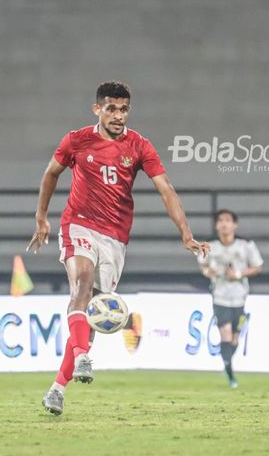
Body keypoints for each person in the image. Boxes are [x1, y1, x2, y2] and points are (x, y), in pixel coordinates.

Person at [27, 80, 210, 415]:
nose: (118, 115)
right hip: (78, 222)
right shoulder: (77, 140)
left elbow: (165, 188)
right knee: (81, 283)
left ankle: (57, 388)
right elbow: (51, 174)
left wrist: (186, 232)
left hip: (115, 237)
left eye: (124, 109)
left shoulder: (139, 146)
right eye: (111, 108)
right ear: (97, 109)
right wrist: (42, 217)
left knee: (95, 312)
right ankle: (83, 356)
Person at [198, 210, 263, 388]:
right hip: (220, 295)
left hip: (240, 296)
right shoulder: (209, 246)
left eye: (228, 220)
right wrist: (206, 271)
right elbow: (202, 264)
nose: (224, 224)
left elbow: (258, 267)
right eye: (220, 220)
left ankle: (227, 364)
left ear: (235, 225)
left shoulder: (245, 245)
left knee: (234, 339)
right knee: (225, 333)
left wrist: (238, 274)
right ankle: (230, 372)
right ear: (216, 225)